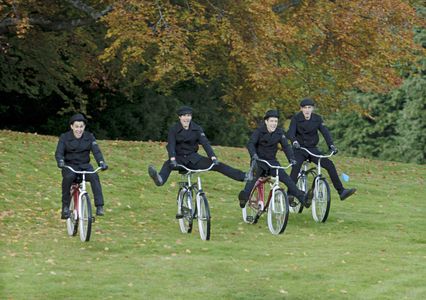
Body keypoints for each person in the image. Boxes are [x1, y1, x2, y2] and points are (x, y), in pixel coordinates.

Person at [148, 105, 248, 187]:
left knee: (218, 165)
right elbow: (171, 145)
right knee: (167, 164)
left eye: (188, 115)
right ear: (180, 117)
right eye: (184, 116)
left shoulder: (197, 129)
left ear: (191, 117)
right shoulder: (173, 129)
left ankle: (243, 176)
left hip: (194, 159)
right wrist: (172, 158)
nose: (186, 118)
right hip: (178, 159)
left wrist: (213, 157)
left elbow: (205, 143)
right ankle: (159, 179)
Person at [238, 110, 310, 209]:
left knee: (286, 179)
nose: (274, 124)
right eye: (271, 121)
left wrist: (291, 159)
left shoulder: (279, 132)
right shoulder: (259, 131)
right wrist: (254, 155)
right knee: (252, 179)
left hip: (272, 162)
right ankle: (244, 198)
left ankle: (304, 199)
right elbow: (250, 144)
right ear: (266, 122)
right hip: (259, 161)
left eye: (275, 121)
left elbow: (286, 146)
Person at [287, 98, 356, 201]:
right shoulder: (296, 119)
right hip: (299, 149)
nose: (307, 110)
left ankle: (341, 191)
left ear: (312, 109)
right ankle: (290, 194)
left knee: (329, 165)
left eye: (309, 108)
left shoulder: (317, 119)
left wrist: (331, 145)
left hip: (312, 149)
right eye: (305, 108)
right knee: (296, 167)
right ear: (301, 109)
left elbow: (325, 132)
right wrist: (294, 142)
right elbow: (290, 133)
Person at [55, 113, 108, 219]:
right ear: (71, 126)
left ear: (84, 127)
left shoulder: (90, 137)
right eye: (76, 126)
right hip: (70, 166)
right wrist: (60, 161)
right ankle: (65, 207)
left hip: (85, 166)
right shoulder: (64, 137)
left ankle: (99, 206)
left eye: (81, 127)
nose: (79, 129)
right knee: (68, 178)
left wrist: (101, 162)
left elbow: (96, 151)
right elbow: (59, 152)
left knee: (94, 176)